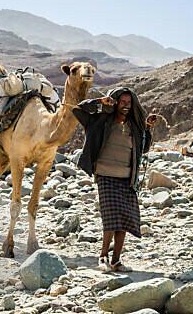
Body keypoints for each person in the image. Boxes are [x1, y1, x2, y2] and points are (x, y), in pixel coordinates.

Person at [72, 87, 157, 272]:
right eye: (122, 102)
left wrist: (148, 129)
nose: (126, 106)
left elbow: (144, 149)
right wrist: (100, 102)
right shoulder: (102, 121)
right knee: (111, 219)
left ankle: (116, 261)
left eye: (129, 103)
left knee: (125, 220)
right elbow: (77, 110)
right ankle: (103, 256)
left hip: (127, 178)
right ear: (116, 102)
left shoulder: (135, 127)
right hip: (105, 175)